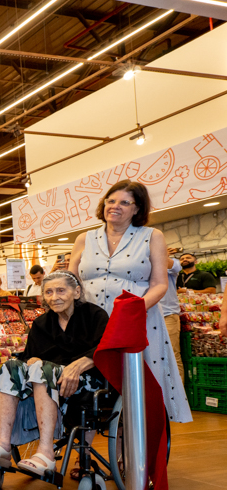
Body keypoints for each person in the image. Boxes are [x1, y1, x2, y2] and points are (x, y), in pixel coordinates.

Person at [70, 180, 191, 424]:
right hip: (90, 322)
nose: (115, 206)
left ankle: (136, 440)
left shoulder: (151, 236)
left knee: (136, 386)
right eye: (111, 200)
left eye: (125, 202)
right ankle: (86, 437)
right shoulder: (84, 238)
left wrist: (134, 310)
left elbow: (159, 283)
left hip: (136, 320)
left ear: (137, 209)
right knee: (89, 384)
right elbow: (71, 280)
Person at [0, 272, 108, 474]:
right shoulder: (42, 323)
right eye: (49, 292)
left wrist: (79, 365)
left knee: (43, 370)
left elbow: (105, 350)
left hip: (86, 382)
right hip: (47, 381)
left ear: (77, 292)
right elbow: (29, 356)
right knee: (10, 366)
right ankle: (3, 445)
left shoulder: (95, 316)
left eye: (61, 290)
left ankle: (46, 452)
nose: (54, 297)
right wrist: (30, 360)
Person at [161, 252, 185, 385]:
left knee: (172, 354)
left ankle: (178, 391)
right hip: (148, 315)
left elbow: (175, 266)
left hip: (168, 315)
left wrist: (159, 251)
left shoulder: (172, 263)